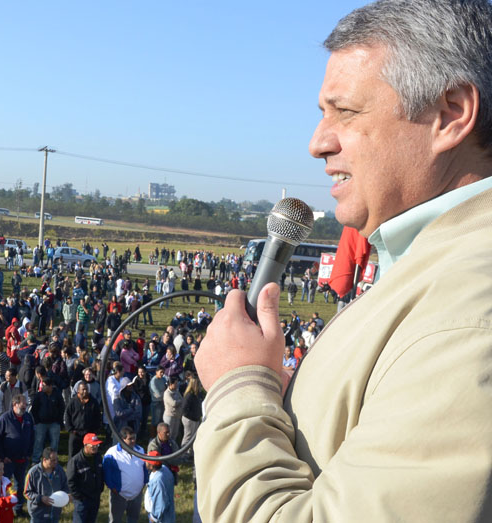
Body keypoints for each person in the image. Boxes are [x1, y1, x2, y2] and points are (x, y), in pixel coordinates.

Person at [194, 1, 492, 521]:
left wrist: (239, 387)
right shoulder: (433, 268)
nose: (317, 143)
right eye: (321, 113)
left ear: (451, 114)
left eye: (346, 112)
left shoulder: (464, 320)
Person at [0, 394, 34, 517]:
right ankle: (1, 507)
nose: (25, 408)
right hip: (7, 460)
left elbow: (32, 436)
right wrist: (2, 456)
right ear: (14, 405)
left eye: (26, 406)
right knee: (3, 485)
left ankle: (18, 508)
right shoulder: (5, 418)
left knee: (20, 485)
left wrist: (29, 453)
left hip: (22, 459)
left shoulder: (28, 417)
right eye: (22, 406)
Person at [102, 426, 148, 523]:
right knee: (115, 520)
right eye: (130, 439)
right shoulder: (112, 453)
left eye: (134, 438)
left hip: (137, 494)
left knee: (133, 519)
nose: (133, 441)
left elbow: (144, 469)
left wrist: (143, 484)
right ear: (122, 439)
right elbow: (107, 474)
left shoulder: (140, 450)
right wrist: (114, 489)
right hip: (119, 495)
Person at [24, 447, 70, 523]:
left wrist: (66, 495)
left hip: (55, 513)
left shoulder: (60, 470)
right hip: (38, 515)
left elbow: (65, 486)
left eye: (57, 459)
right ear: (44, 460)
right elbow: (26, 493)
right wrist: (41, 498)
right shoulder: (33, 473)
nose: (56, 462)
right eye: (53, 460)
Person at [67, 433, 105, 523]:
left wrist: (100, 489)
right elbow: (70, 481)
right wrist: (79, 497)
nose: (95, 447)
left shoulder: (98, 457)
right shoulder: (75, 461)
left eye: (97, 445)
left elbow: (101, 475)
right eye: (93, 445)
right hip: (82, 501)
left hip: (95, 498)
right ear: (85, 445)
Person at [30, 377, 65, 465]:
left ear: (50, 386)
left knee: (54, 442)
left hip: (54, 423)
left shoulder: (57, 395)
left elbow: (62, 408)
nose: (42, 387)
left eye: (45, 386)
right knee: (38, 441)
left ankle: (52, 459)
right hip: (41, 423)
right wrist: (37, 421)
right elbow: (34, 409)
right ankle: (35, 459)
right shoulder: (39, 395)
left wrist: (59, 421)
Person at [64, 381, 102, 460]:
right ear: (78, 391)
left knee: (89, 454)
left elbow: (98, 416)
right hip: (76, 433)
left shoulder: (93, 402)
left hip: (89, 433)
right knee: (73, 453)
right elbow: (67, 416)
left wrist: (95, 430)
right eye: (83, 389)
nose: (85, 391)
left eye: (86, 389)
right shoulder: (72, 402)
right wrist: (70, 429)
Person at [143, 451, 175, 523]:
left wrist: (154, 517)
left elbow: (160, 501)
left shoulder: (157, 481)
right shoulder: (165, 469)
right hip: (168, 513)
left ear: (151, 466)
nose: (145, 462)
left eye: (146, 461)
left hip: (160, 518)